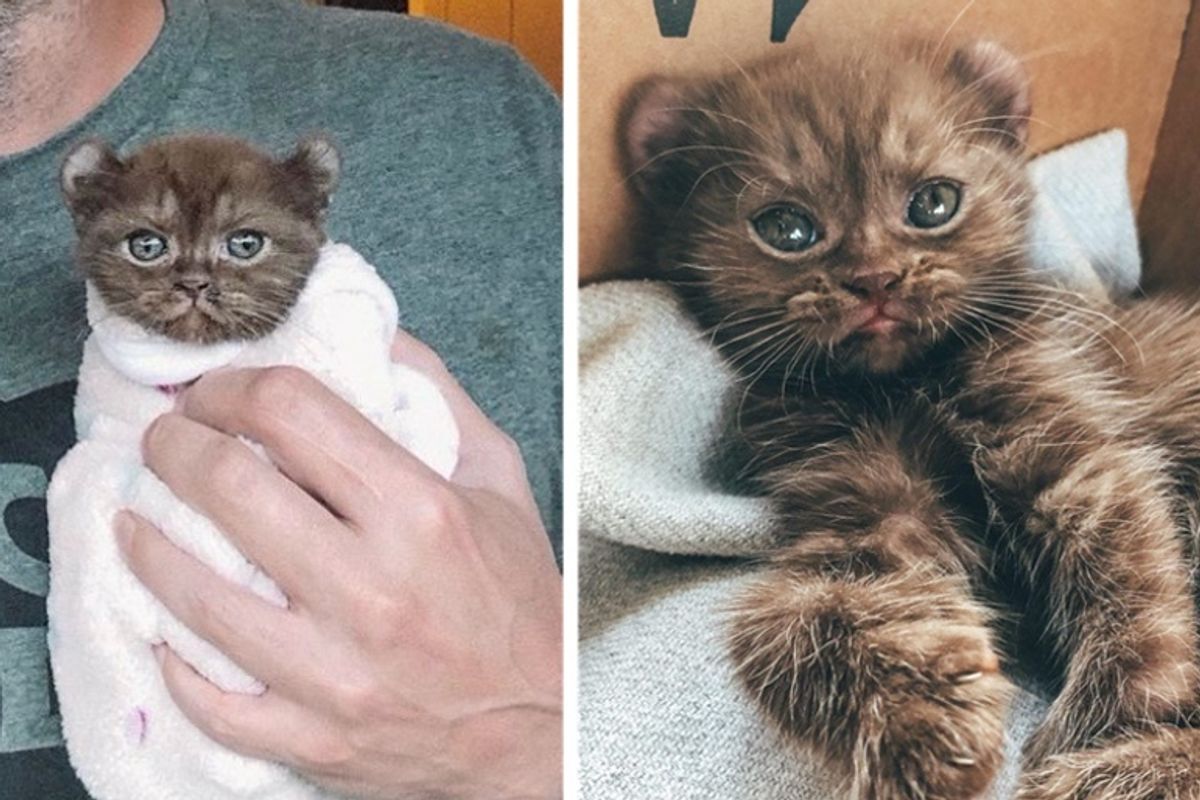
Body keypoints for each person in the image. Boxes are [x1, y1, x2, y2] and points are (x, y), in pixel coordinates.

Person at [0, 1, 563, 798]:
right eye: (151, 247)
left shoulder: (483, 121)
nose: (194, 278)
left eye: (238, 246)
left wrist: (527, 747)